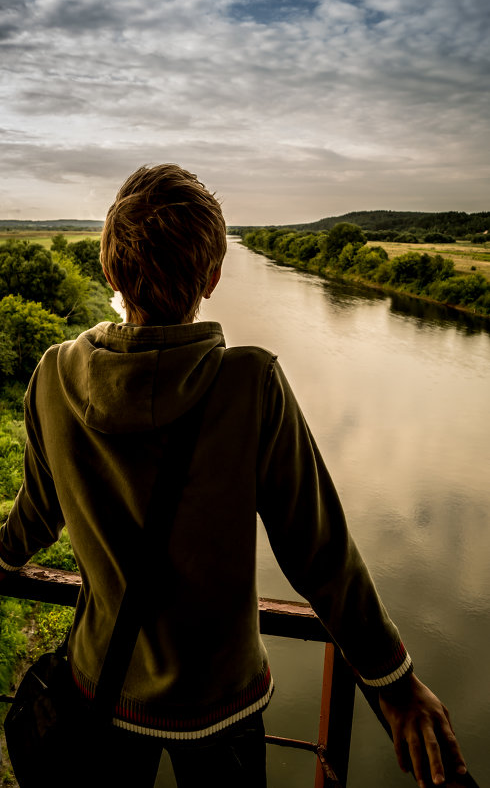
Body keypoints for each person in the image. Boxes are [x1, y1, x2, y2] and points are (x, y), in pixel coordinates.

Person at [0, 164, 467, 788]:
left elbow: (37, 511)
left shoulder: (55, 376)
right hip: (220, 707)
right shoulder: (249, 383)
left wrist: (3, 559)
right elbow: (319, 554)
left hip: (100, 689)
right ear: (214, 277)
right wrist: (394, 681)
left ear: (109, 270)